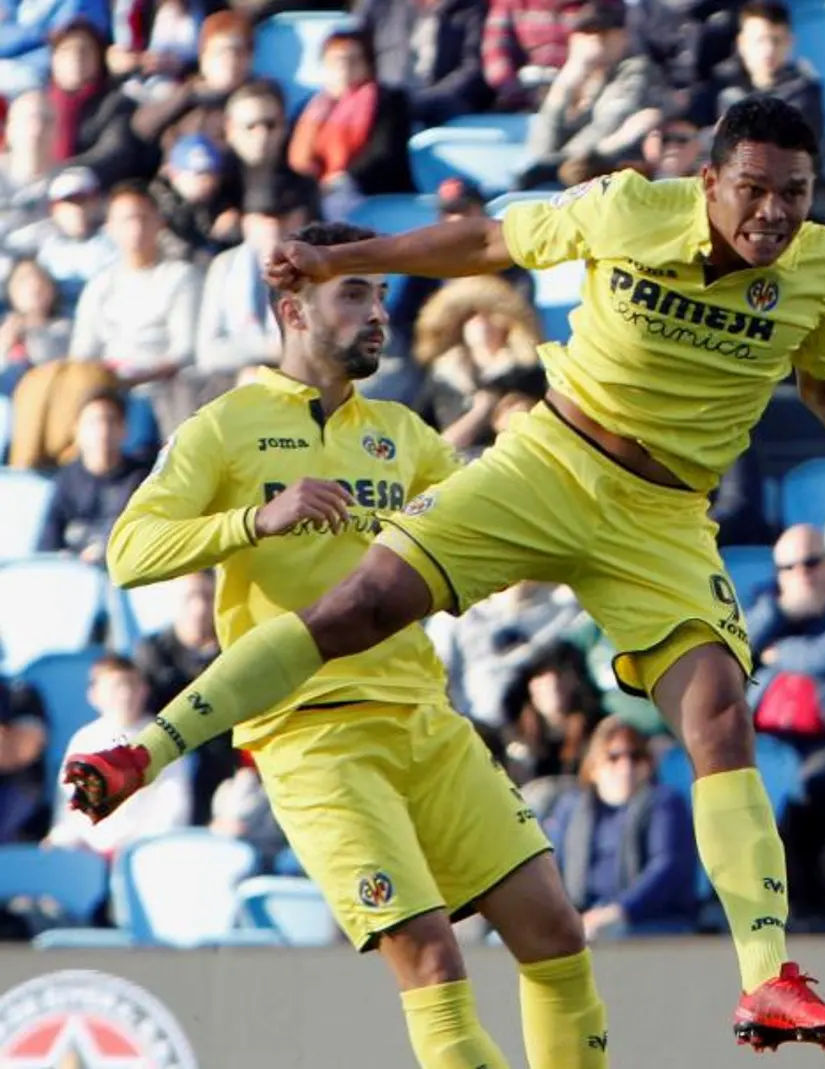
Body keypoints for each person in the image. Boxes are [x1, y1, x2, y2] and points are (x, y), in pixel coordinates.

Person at [65, 94, 825, 1052]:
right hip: (548, 464)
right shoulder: (628, 209)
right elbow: (489, 242)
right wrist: (351, 255)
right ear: (709, 182)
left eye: (795, 192)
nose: (775, 213)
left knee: (718, 716)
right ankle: (147, 750)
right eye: (755, 189)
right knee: (362, 603)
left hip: (660, 518)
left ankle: (766, 978)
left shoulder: (820, 269)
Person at [90, 220, 607, 1069]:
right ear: (293, 309)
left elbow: (499, 535)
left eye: (382, 293)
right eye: (356, 292)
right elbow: (128, 552)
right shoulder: (225, 426)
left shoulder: (403, 432)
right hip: (311, 738)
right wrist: (257, 518)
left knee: (555, 931)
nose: (379, 313)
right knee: (433, 959)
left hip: (426, 720)